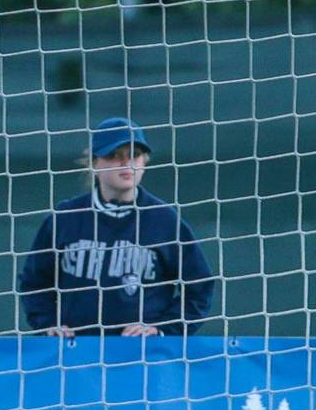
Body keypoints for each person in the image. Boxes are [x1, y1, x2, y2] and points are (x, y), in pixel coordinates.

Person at [18, 117, 213, 337]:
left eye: (134, 155)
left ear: (145, 161)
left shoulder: (164, 221)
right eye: (114, 155)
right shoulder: (66, 217)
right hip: (75, 355)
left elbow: (200, 288)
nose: (126, 163)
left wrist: (162, 329)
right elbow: (34, 282)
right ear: (94, 162)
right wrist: (48, 324)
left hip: (143, 356)